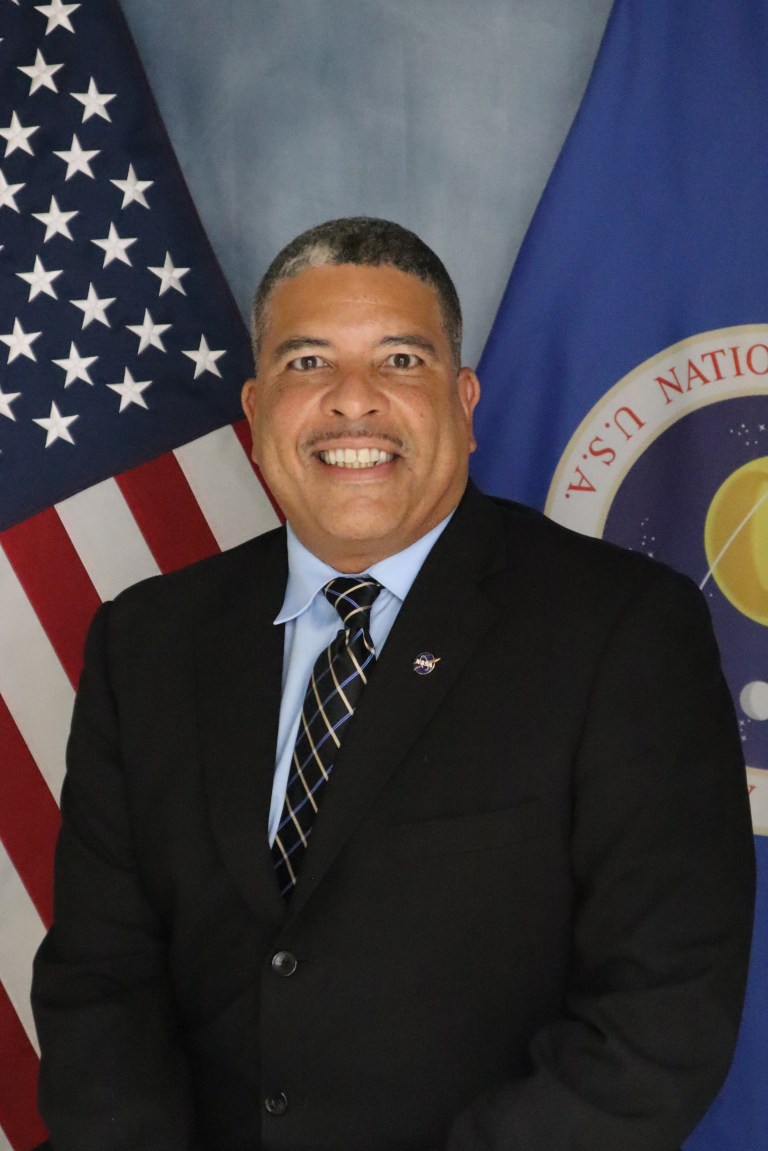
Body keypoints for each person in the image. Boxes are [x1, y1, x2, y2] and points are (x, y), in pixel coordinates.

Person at [32, 217, 755, 1151]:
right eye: (307, 363)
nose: (352, 402)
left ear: (463, 400)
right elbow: (101, 982)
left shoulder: (622, 632)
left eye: (401, 360)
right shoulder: (146, 641)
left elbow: (663, 1012)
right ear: (255, 413)